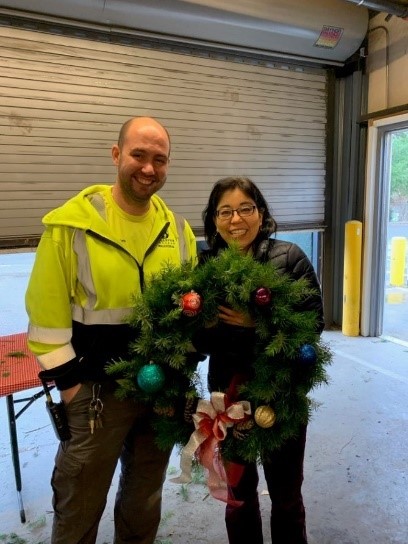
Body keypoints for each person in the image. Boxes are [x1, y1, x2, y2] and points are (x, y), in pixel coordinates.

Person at [25, 116, 197, 544]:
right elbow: (46, 317)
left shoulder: (178, 230)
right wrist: (70, 387)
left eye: (160, 159)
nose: (149, 168)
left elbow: (191, 311)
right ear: (117, 154)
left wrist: (181, 373)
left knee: (144, 500)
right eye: (139, 154)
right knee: (79, 504)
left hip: (158, 394)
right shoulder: (72, 227)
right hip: (96, 396)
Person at [192, 176, 324, 544]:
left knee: (285, 494)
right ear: (215, 221)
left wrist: (256, 323)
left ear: (261, 213)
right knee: (238, 494)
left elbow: (311, 328)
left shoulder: (290, 258)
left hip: (282, 394)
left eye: (246, 209)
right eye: (226, 212)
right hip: (228, 397)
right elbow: (196, 342)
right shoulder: (205, 267)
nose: (237, 220)